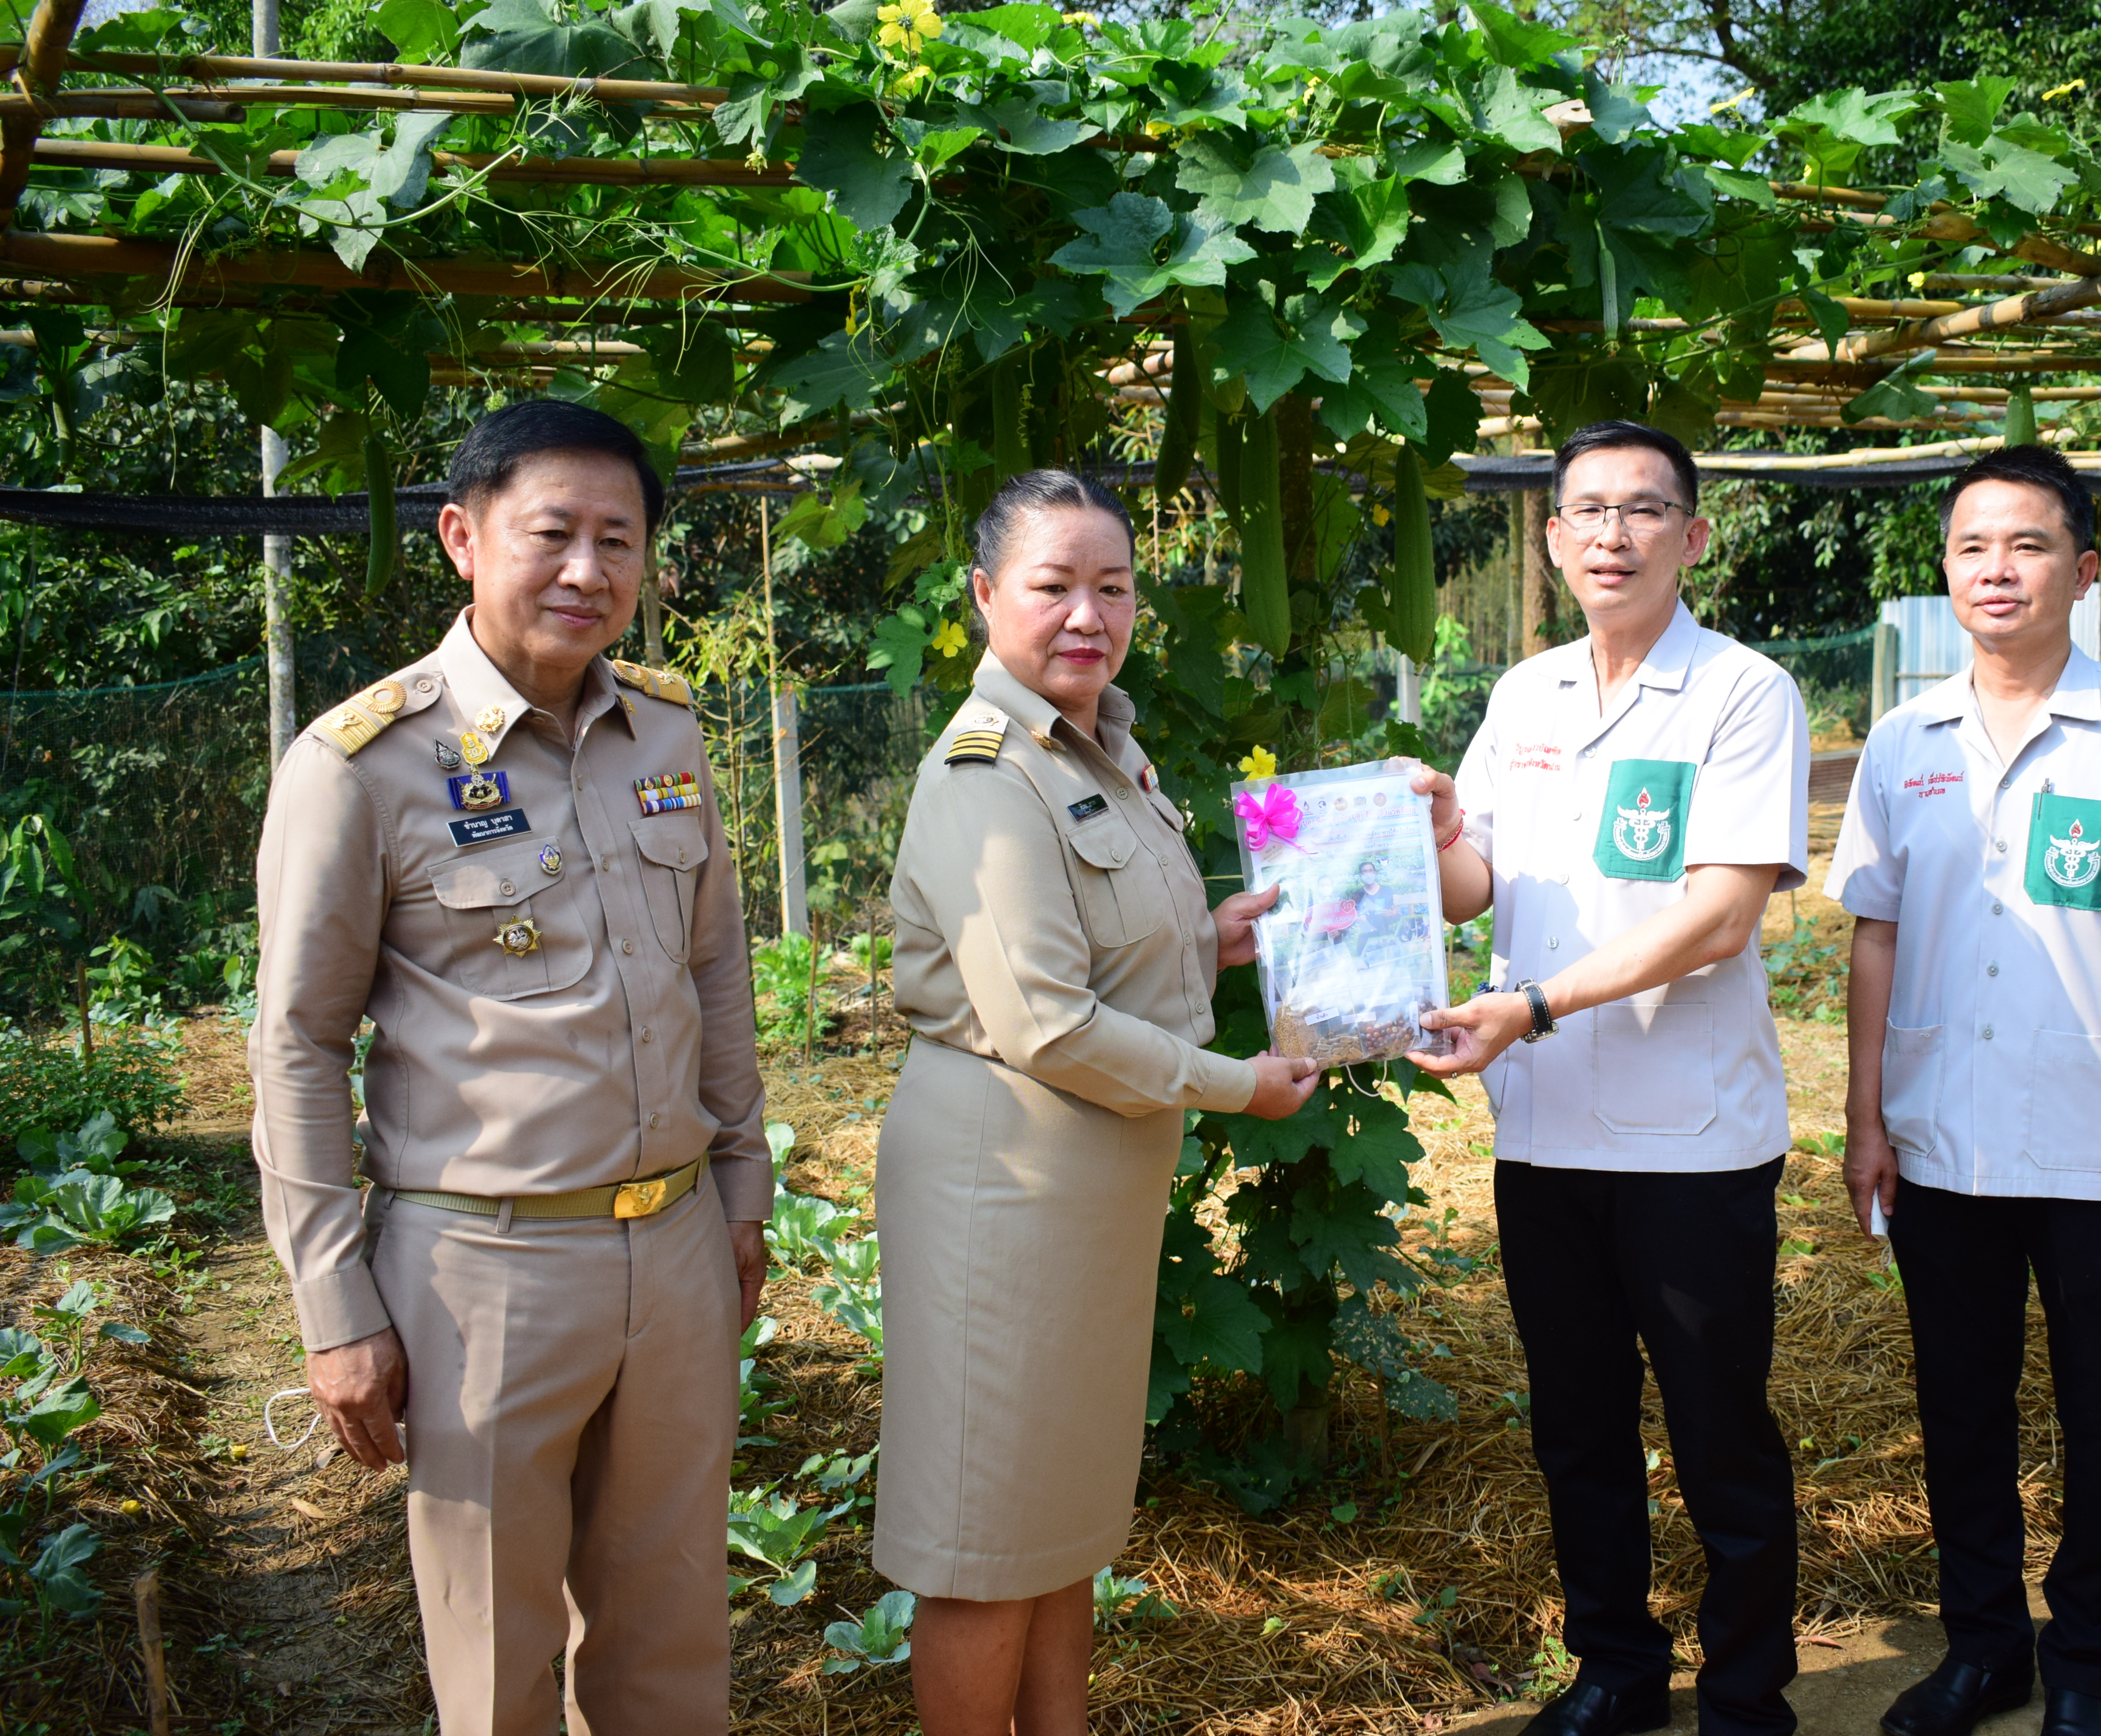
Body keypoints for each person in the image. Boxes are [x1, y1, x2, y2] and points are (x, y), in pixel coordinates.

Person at [250, 399, 771, 1734]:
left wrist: (743, 1186)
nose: (588, 572)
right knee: (497, 1662)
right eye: (554, 534)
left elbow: (716, 971)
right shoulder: (364, 763)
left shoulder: (668, 735)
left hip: (672, 1246)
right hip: (480, 1271)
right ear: (462, 539)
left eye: (620, 539)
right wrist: (334, 1307)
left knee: (671, 1640)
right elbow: (299, 1042)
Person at [873, 469, 1323, 1736]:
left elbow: (1096, 953)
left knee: (1059, 1520)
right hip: (1000, 1194)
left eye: (1111, 587)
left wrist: (1214, 939)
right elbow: (1045, 1022)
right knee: (984, 1538)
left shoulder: (1104, 752)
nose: (1088, 613)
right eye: (1053, 585)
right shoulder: (985, 773)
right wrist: (1239, 1086)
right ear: (983, 599)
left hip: (1090, 1194)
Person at [1826, 446, 2101, 1736]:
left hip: (2095, 1142)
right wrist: (1863, 1119)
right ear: (1948, 575)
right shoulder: (1905, 741)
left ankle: (2083, 1661)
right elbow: (1874, 936)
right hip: (1940, 1141)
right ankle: (1983, 1648)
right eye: (1971, 547)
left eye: (2024, 545)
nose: (1995, 569)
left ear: (2082, 569)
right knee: (1957, 1407)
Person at [1410, 421, 1811, 1736]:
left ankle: (1747, 1692)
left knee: (1718, 1437)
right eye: (1585, 511)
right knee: (1576, 1428)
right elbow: (1480, 887)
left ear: (1692, 538)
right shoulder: (1524, 695)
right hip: (1544, 1137)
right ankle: (1615, 1669)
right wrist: (1432, 838)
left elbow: (1718, 915)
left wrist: (1531, 1004)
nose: (1611, 534)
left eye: (1643, 511)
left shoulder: (1744, 693)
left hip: (1689, 1143)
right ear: (1550, 538)